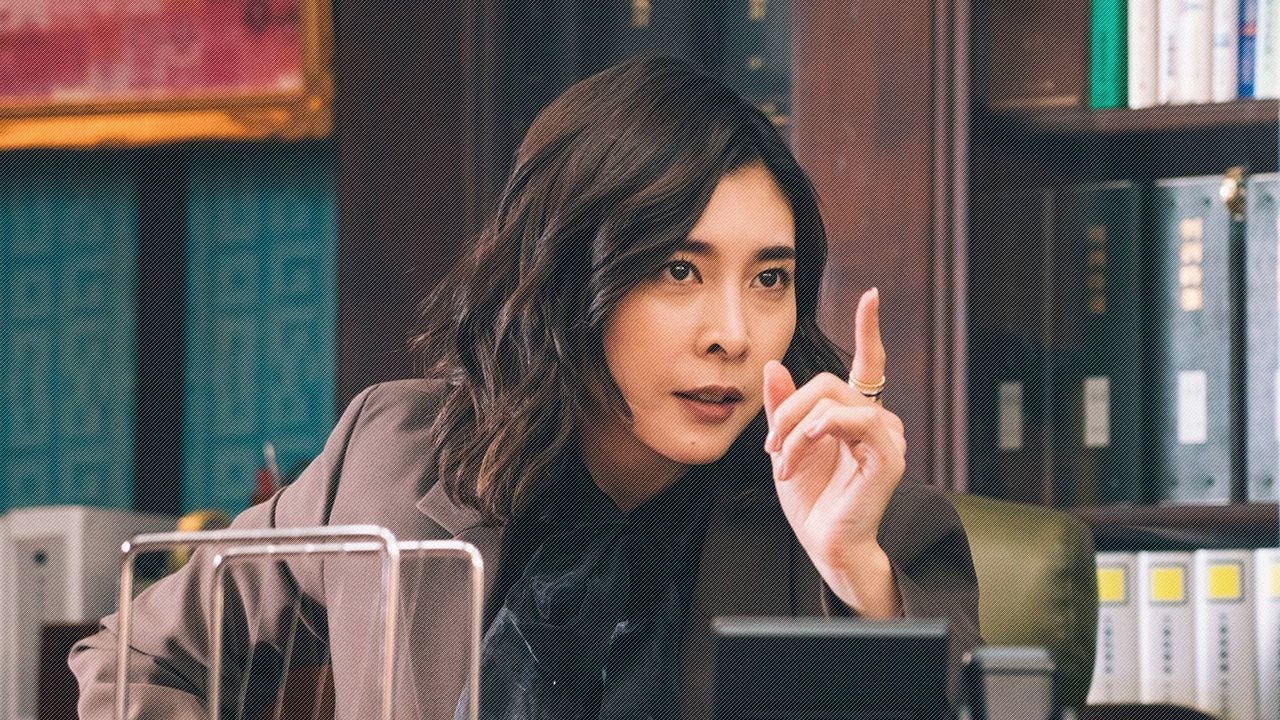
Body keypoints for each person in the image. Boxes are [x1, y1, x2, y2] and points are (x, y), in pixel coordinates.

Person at [70, 56, 980, 719]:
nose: (733, 334)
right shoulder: (392, 457)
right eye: (678, 270)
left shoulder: (871, 524)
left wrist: (857, 577)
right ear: (563, 278)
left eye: (770, 278)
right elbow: (135, 658)